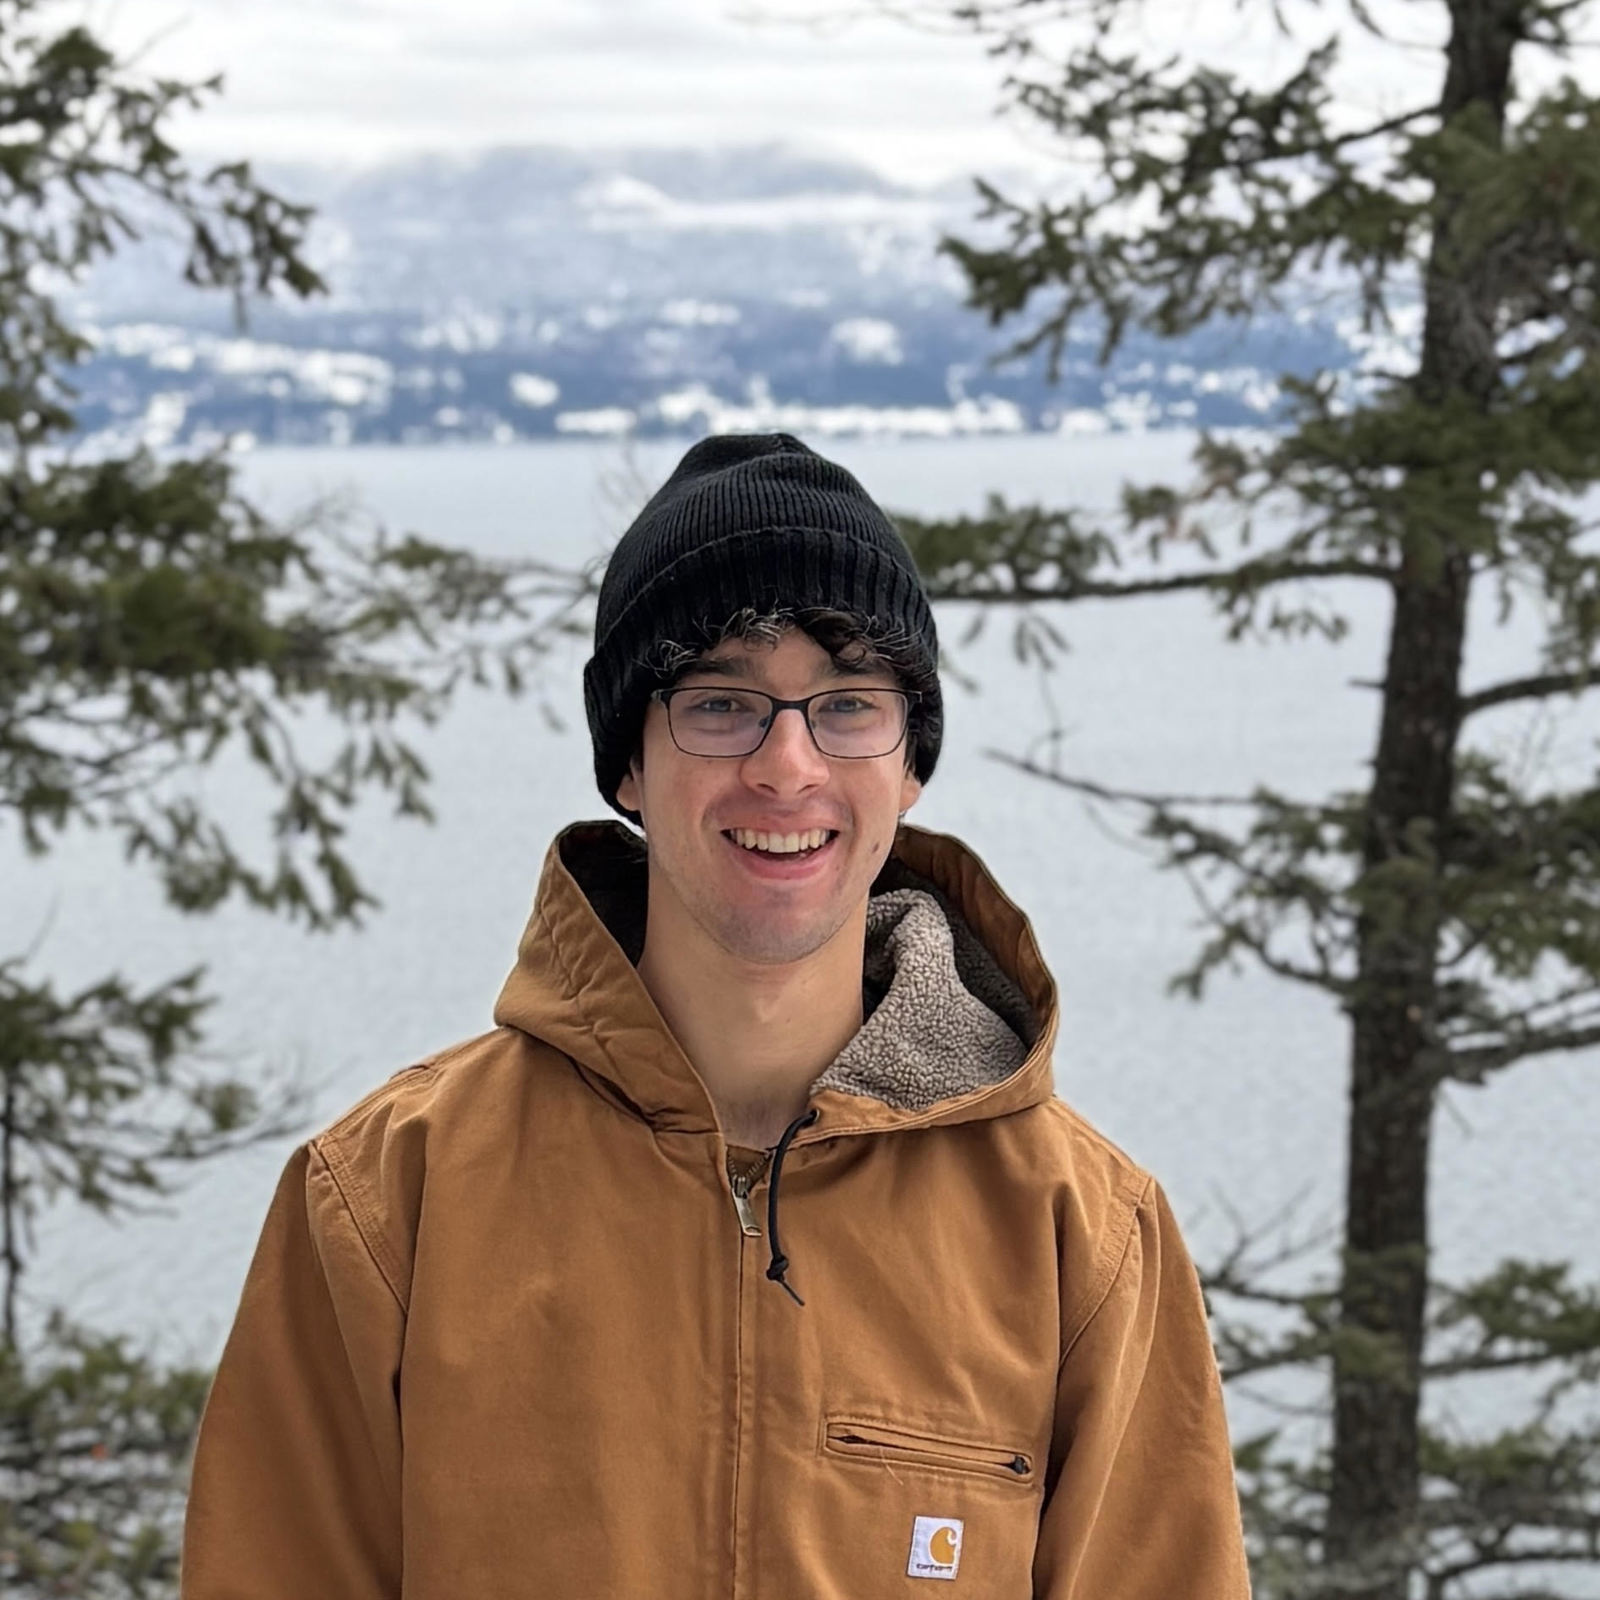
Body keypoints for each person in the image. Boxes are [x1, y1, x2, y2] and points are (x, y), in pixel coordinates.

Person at [179, 432, 1252, 1598]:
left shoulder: (1080, 1237)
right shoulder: (390, 1201)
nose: (787, 765)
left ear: (910, 764)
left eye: (847, 705)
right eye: (722, 702)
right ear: (628, 762)